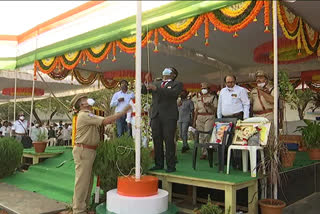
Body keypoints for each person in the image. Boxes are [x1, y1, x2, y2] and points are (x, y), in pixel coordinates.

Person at [71, 94, 131, 214]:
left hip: (89, 150)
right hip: (84, 150)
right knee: (82, 182)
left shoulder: (88, 115)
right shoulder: (84, 115)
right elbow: (105, 121)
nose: (89, 102)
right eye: (86, 100)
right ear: (82, 105)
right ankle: (78, 210)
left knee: (88, 182)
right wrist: (123, 111)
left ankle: (84, 208)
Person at [142, 67, 183, 173]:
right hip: (156, 115)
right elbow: (144, 91)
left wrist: (156, 89)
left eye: (169, 71)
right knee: (156, 139)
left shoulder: (177, 84)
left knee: (169, 140)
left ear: (173, 75)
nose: (165, 72)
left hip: (169, 116)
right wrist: (146, 81)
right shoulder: (157, 83)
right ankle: (158, 163)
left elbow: (173, 94)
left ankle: (171, 165)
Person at [193, 82, 218, 159]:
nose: (204, 90)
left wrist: (210, 105)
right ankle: (204, 153)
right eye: (202, 88)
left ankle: (208, 151)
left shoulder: (213, 97)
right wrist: (194, 121)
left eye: (205, 88)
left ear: (208, 89)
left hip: (209, 116)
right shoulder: (198, 98)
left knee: (207, 134)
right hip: (200, 117)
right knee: (200, 135)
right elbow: (196, 110)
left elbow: (215, 109)